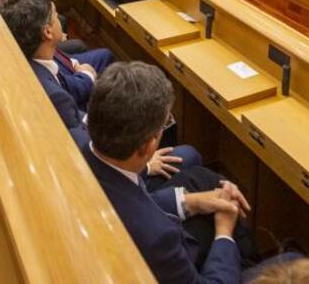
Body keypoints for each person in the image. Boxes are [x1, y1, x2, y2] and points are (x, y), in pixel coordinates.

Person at [85, 61, 277, 284]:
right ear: (148, 146)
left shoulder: (79, 147)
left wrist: (191, 202)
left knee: (206, 180)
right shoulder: (157, 237)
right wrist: (224, 231)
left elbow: (129, 196)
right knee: (292, 259)